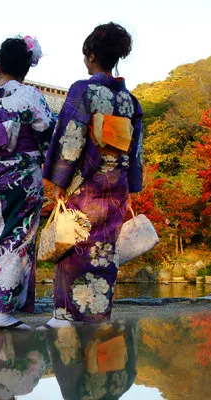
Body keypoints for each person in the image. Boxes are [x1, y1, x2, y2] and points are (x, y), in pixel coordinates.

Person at [42, 23, 143, 327]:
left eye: (86, 55)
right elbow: (135, 148)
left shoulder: (84, 90)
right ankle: (98, 313)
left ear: (93, 55)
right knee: (104, 250)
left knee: (74, 245)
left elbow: (71, 140)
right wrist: (131, 184)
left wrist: (59, 181)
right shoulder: (129, 100)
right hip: (116, 183)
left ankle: (66, 315)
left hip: (86, 182)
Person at [0, 36, 56, 330]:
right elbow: (49, 132)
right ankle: (3, 311)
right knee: (17, 236)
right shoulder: (29, 96)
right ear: (26, 67)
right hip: (21, 174)